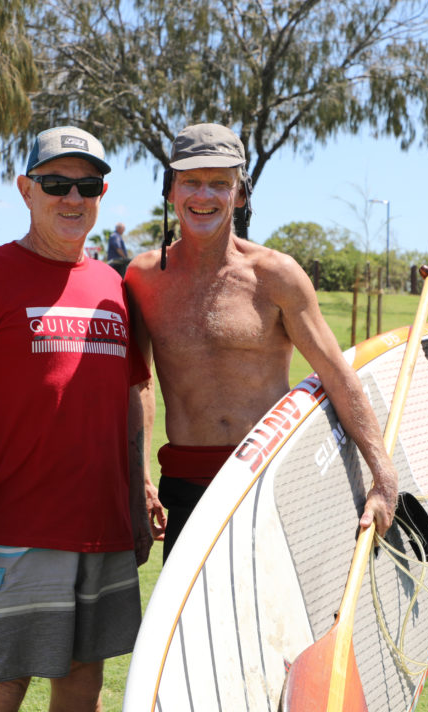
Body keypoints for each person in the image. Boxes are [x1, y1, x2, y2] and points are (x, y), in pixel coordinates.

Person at [0, 125, 153, 712]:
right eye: (56, 183)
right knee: (2, 687)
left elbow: (134, 391)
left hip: (101, 528)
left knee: (83, 686)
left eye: (88, 185)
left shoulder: (113, 285)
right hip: (12, 532)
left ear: (103, 194)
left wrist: (139, 487)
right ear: (26, 189)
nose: (73, 199)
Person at [124, 123, 398, 562]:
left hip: (271, 481)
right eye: (191, 182)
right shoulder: (143, 279)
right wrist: (138, 483)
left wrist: (383, 475)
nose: (204, 195)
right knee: (193, 629)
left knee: (274, 629)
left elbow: (336, 374)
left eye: (220, 183)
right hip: (188, 489)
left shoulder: (276, 276)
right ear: (170, 191)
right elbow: (138, 387)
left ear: (241, 194)